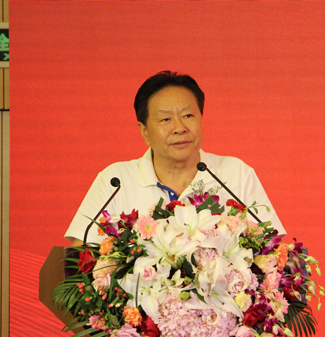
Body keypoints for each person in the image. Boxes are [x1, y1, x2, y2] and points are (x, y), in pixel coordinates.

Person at [66, 71, 285, 246]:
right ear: (144, 131)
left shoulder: (235, 174)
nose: (180, 128)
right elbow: (78, 262)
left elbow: (273, 253)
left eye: (188, 115)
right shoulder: (116, 181)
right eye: (165, 119)